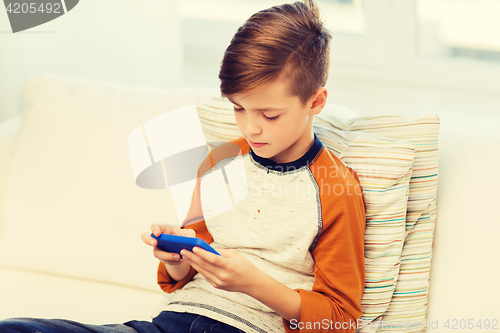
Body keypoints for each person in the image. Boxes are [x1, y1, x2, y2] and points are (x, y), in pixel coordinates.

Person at [0, 1, 365, 332]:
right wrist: (178, 255)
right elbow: (184, 273)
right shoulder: (221, 161)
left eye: (269, 115)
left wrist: (254, 283)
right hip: (169, 324)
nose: (251, 127)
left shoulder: (336, 190)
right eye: (239, 108)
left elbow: (341, 319)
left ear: (316, 101)